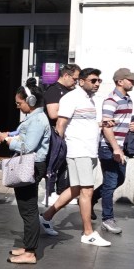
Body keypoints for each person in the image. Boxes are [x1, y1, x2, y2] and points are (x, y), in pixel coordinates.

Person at [39, 67, 111, 247]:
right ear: (82, 81)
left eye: (99, 81)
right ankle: (88, 233)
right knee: (87, 191)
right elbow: (61, 124)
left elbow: (85, 122)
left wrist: (103, 123)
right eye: (93, 80)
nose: (97, 84)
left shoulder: (93, 100)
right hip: (78, 150)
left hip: (90, 150)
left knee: (76, 189)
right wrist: (57, 153)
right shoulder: (71, 98)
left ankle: (46, 217)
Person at [0, 78, 50, 264]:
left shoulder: (38, 120)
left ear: (31, 101)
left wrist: (8, 140)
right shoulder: (34, 118)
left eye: (20, 103)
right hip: (31, 164)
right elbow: (22, 134)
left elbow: (28, 145)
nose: (18, 106)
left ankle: (31, 253)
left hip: (32, 165)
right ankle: (27, 247)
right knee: (27, 208)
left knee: (29, 210)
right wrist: (8, 135)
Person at [92, 68, 134, 234]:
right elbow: (107, 127)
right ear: (120, 81)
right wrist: (115, 148)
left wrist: (133, 125)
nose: (133, 82)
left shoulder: (128, 99)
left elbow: (121, 122)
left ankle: (91, 198)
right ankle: (107, 219)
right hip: (109, 147)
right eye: (130, 80)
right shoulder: (111, 100)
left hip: (120, 147)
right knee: (112, 182)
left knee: (119, 179)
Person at [42, 64, 80, 204]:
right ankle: (49, 193)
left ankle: (62, 193)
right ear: (65, 76)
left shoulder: (71, 91)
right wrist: (74, 112)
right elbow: (53, 113)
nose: (75, 82)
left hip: (68, 133)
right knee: (54, 162)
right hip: (55, 133)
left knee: (65, 164)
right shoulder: (54, 90)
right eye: (74, 79)